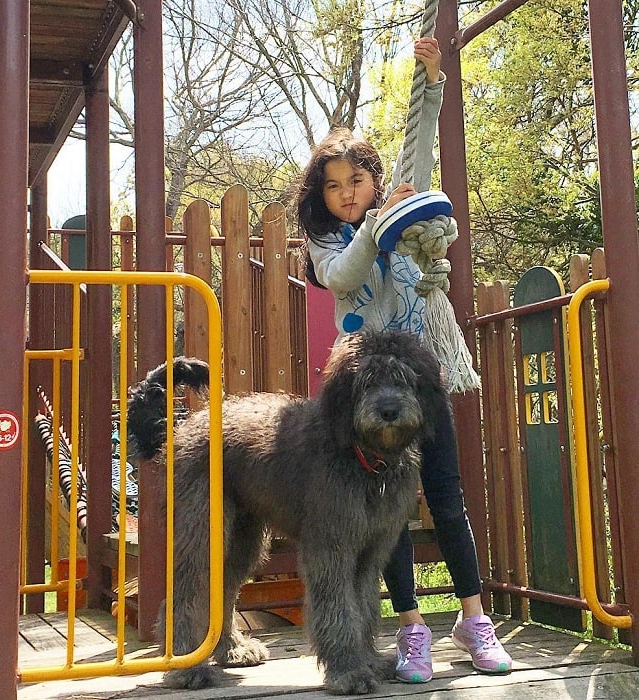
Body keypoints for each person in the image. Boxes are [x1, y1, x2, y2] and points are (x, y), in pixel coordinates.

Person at [294, 37, 512, 684]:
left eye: (357, 181)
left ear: (373, 179)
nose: (346, 193)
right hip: (368, 385)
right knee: (385, 507)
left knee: (445, 495)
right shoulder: (326, 239)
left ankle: (475, 621)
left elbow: (419, 148)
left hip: (421, 376)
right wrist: (374, 222)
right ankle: (411, 626)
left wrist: (432, 78)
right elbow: (344, 277)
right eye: (334, 187)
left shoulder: (396, 211)